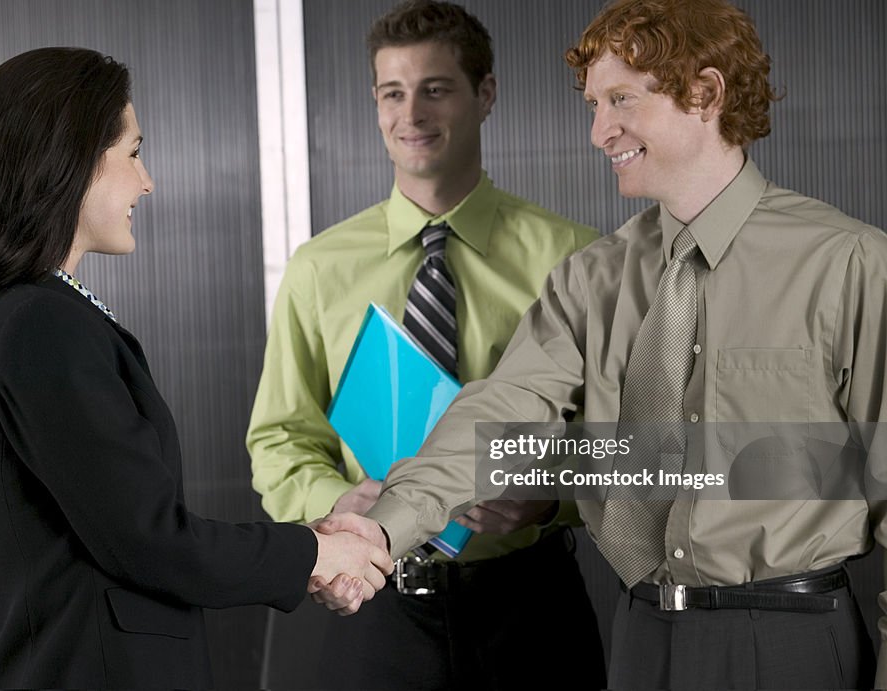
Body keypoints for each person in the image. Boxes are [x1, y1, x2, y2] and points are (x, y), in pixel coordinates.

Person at [319, 0, 887, 688]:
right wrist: (383, 530)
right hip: (641, 640)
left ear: (704, 94)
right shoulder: (593, 277)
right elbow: (500, 415)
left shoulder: (849, 263)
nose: (597, 131)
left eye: (620, 100)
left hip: (791, 642)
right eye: (593, 104)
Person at [0, 47, 391, 690]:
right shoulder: (41, 325)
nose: (147, 180)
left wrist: (308, 541)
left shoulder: (18, 316)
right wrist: (317, 551)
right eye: (132, 153)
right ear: (70, 162)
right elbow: (149, 539)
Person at [247, 1, 605, 688]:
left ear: (485, 94)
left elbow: (622, 435)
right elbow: (279, 438)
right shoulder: (320, 268)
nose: (410, 114)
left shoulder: (573, 258)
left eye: (435, 88)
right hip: (374, 606)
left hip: (531, 606)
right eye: (392, 92)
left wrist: (549, 493)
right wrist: (339, 499)